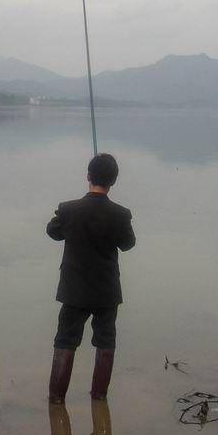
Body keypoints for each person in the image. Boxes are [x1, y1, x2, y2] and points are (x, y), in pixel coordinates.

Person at [46, 153, 135, 403]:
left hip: (74, 291)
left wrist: (68, 221)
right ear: (113, 181)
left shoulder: (69, 209)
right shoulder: (120, 214)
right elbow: (128, 244)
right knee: (105, 341)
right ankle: (99, 398)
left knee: (65, 340)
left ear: (88, 176)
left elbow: (53, 232)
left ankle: (56, 400)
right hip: (106, 292)